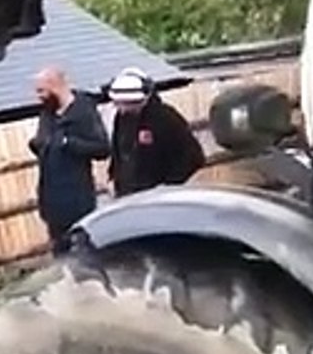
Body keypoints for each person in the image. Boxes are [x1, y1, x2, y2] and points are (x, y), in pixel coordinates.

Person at [29, 66, 111, 253]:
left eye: (41, 91)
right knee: (60, 254)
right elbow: (45, 145)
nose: (38, 96)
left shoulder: (83, 112)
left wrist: (69, 143)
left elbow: (102, 148)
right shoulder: (48, 113)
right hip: (52, 202)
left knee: (83, 254)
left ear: (55, 86)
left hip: (78, 201)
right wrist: (38, 145)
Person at [106, 67, 206, 198]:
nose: (123, 109)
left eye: (129, 104)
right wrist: (112, 177)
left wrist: (168, 186)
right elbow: (118, 153)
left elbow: (193, 157)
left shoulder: (165, 118)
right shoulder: (120, 118)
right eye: (118, 104)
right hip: (126, 196)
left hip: (158, 197)